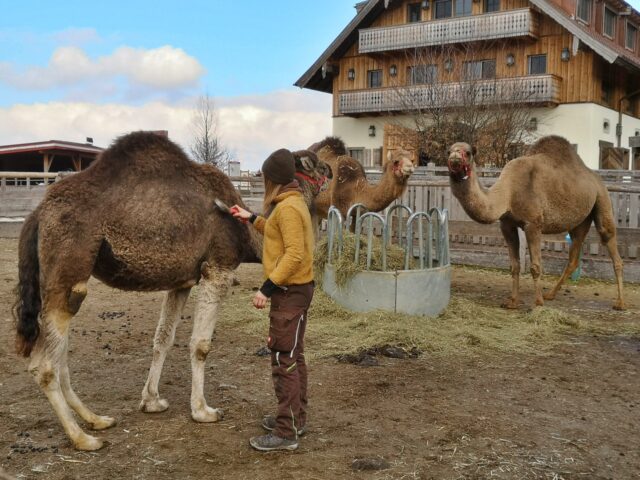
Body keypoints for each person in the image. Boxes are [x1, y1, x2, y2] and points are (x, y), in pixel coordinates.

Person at [232, 148, 315, 452]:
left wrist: (265, 289)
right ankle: (295, 419)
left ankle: (285, 432)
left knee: (284, 359)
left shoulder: (290, 208)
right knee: (294, 354)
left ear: (273, 179)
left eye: (265, 177)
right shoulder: (289, 203)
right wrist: (250, 218)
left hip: (289, 291)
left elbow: (293, 254)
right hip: (297, 289)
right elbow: (276, 231)